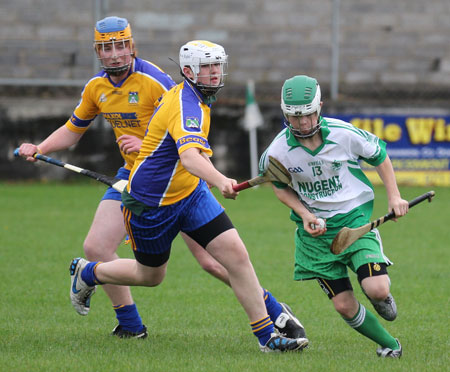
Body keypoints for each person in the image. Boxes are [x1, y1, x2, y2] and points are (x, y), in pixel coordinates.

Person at [19, 17, 306, 342]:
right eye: (106, 47)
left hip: (185, 178)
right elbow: (73, 130)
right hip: (140, 182)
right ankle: (129, 323)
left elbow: (182, 129)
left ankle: (273, 314)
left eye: (120, 45)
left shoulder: (157, 81)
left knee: (216, 261)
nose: (114, 54)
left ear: (132, 46)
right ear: (97, 52)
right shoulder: (96, 88)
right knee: (99, 248)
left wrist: (156, 150)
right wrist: (39, 147)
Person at [259, 74, 409, 358]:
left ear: (320, 108)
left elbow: (380, 156)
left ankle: (381, 297)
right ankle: (390, 345)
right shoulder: (277, 152)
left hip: (354, 222)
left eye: (308, 115)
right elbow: (280, 188)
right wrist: (304, 214)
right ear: (284, 114)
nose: (302, 123)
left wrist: (394, 197)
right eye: (294, 117)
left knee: (376, 289)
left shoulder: (344, 134)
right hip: (315, 235)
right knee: (343, 305)